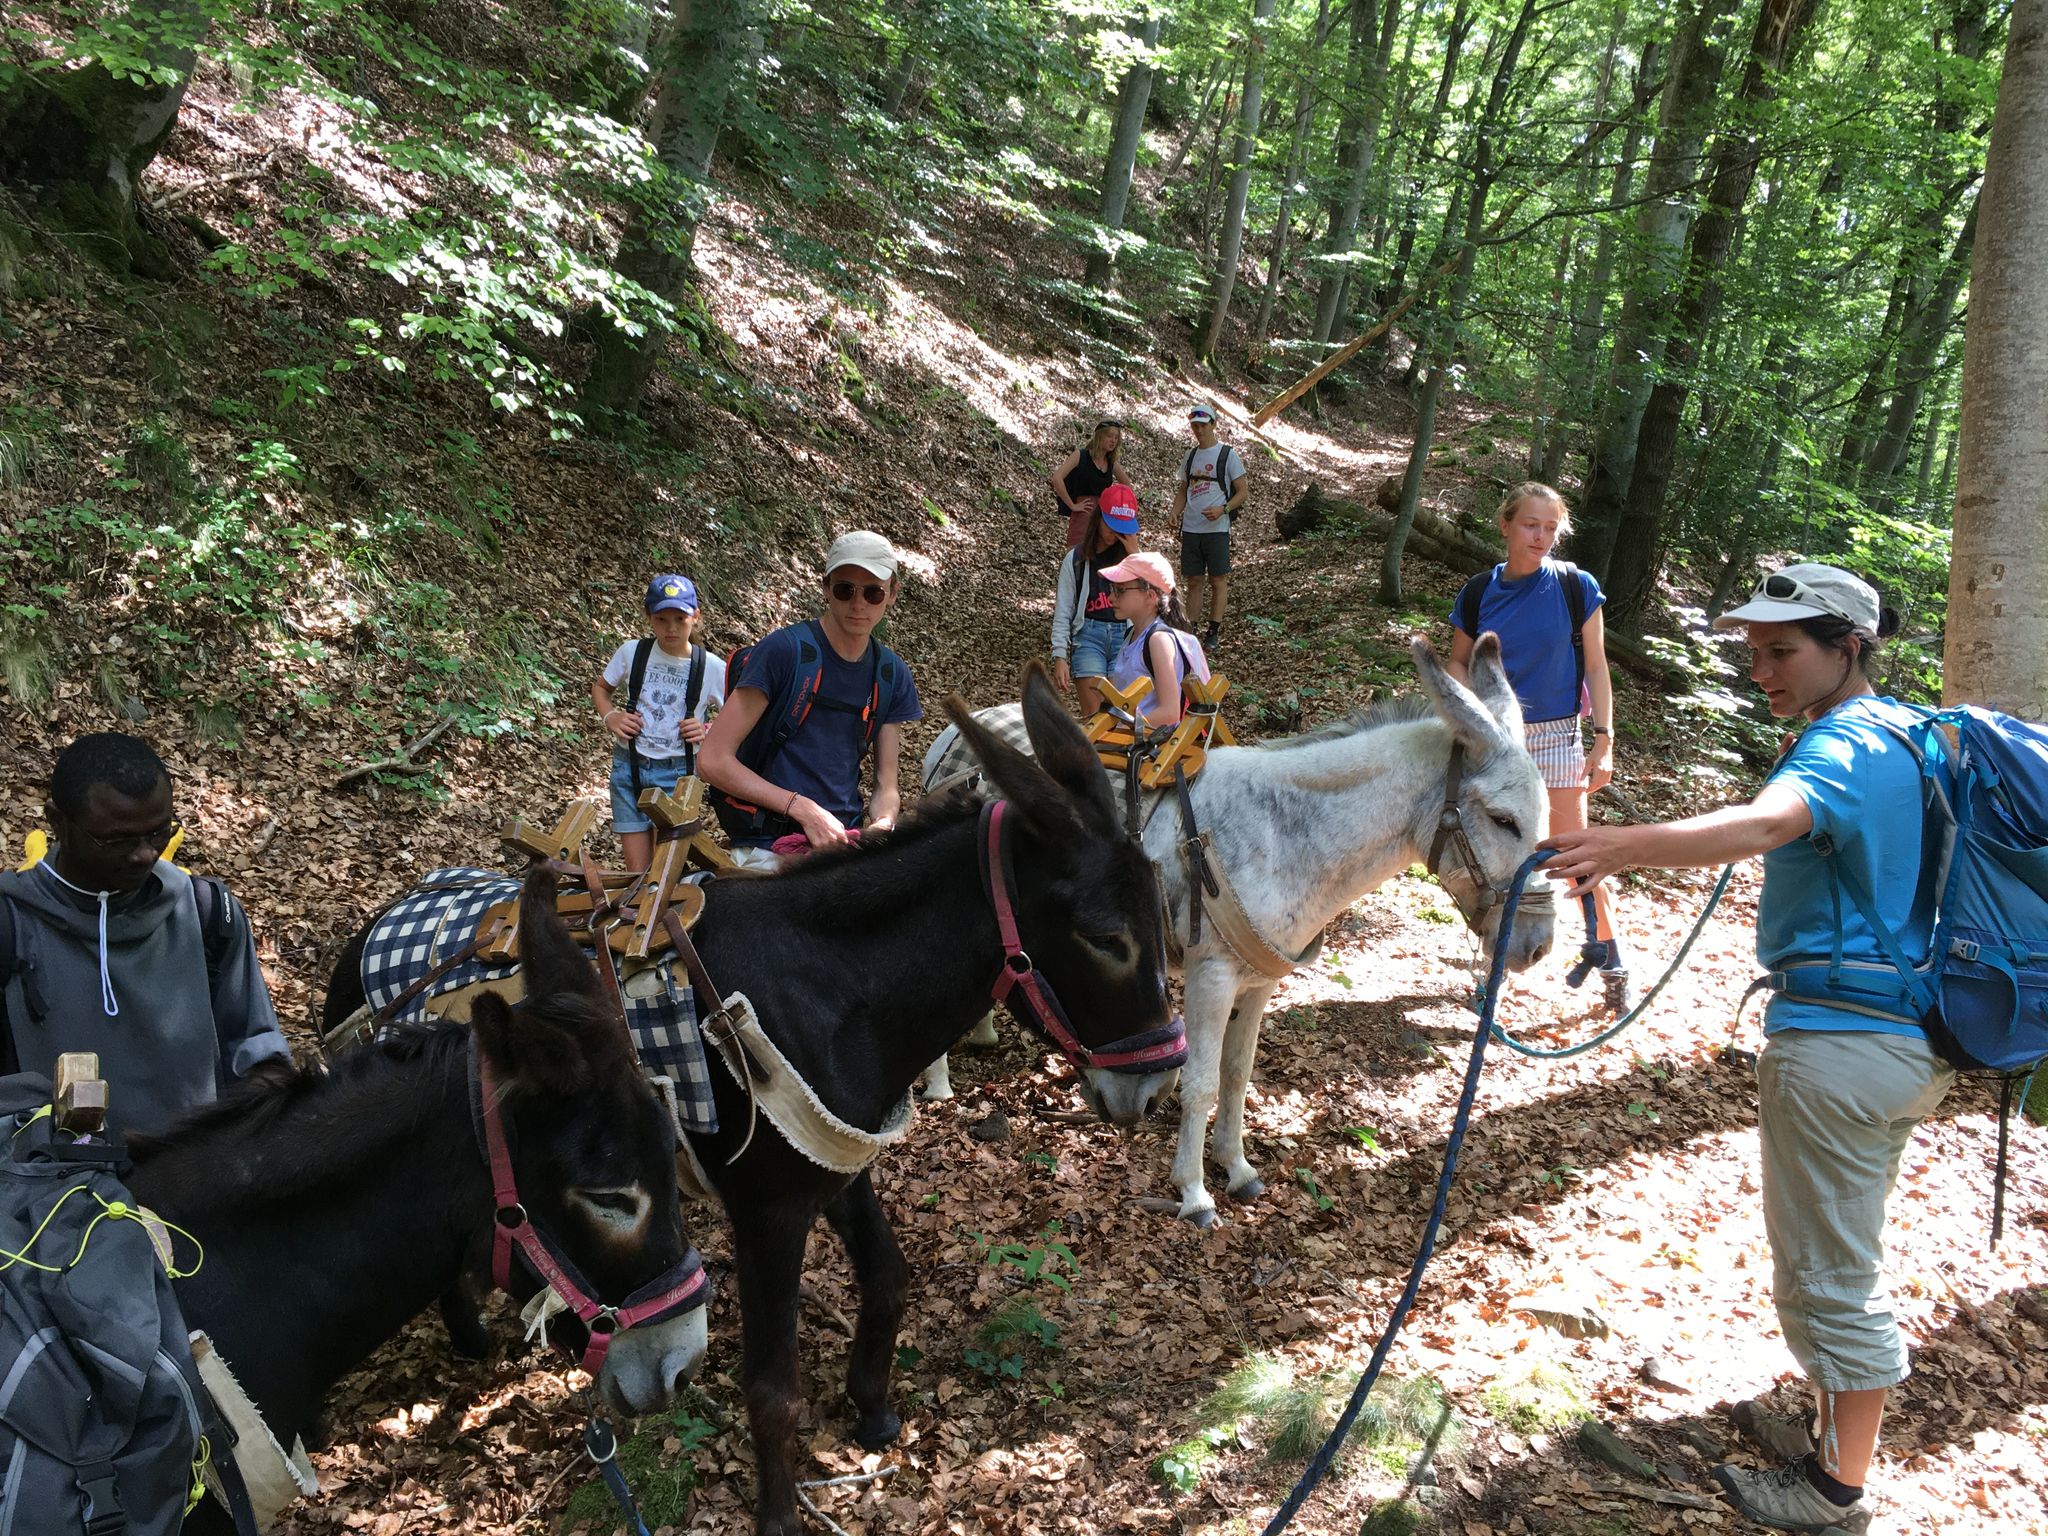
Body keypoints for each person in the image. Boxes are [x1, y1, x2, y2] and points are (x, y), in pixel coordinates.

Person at [1542, 564, 1933, 1536]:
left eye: (1781, 650)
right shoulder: (1910, 737)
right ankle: (1829, 1437)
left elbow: (1765, 825)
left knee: (1827, 1277)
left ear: (1847, 647)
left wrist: (1621, 845)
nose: (1759, 668)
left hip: (1839, 1044)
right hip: (1902, 1041)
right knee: (1844, 1254)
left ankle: (1835, 1491)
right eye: (1752, 651)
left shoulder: (1843, 744)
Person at [0, 733, 290, 1135]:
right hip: (55, 1191)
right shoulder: (11, 923)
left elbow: (255, 1054)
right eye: (116, 839)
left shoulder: (208, 915)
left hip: (190, 1182)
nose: (144, 854)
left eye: (158, 833)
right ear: (58, 822)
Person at [1448, 483, 1628, 1012]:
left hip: (1557, 733)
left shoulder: (1576, 586)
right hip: (1498, 735)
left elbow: (1596, 665)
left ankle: (1610, 958)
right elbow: (1457, 661)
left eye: (1551, 528)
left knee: (1576, 852)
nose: (1541, 537)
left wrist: (1605, 738)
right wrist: (1472, 710)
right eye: (1531, 525)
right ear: (1505, 525)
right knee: (1502, 856)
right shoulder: (1480, 591)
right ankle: (1494, 966)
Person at [699, 531, 922, 869]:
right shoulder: (784, 652)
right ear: (826, 588)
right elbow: (712, 760)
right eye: (845, 589)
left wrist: (882, 826)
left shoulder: (890, 674)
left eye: (873, 592)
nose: (858, 603)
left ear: (892, 594)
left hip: (841, 850)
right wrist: (803, 809)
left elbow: (885, 784)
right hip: (768, 848)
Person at [593, 573, 728, 872]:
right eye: (661, 619)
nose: (670, 628)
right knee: (639, 874)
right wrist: (611, 716)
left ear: (695, 617)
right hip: (629, 768)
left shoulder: (712, 667)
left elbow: (736, 717)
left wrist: (707, 729)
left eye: (679, 618)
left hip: (678, 774)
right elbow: (601, 688)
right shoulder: (632, 652)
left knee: (666, 871)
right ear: (649, 618)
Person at [1051, 486, 1142, 718]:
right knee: (1094, 718)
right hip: (1089, 637)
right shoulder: (1076, 559)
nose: (1115, 534)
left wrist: (1135, 557)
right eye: (1112, 526)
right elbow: (1063, 610)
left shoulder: (1132, 559)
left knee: (1121, 719)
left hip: (1124, 640)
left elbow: (1152, 601)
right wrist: (1060, 655)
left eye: (1122, 529)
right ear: (1099, 519)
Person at [1098, 551, 1210, 730]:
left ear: (1150, 596)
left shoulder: (1158, 641)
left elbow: (1169, 713)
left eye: (1120, 590)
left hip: (1153, 749)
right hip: (1131, 743)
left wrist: (1119, 729)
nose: (1111, 597)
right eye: (1112, 590)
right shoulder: (1131, 635)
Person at [1168, 404, 1248, 649]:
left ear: (1213, 424)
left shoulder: (1227, 455)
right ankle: (1191, 629)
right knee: (1194, 580)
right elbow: (1184, 489)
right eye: (1195, 425)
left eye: (1203, 425)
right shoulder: (1190, 456)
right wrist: (1174, 512)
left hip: (1217, 529)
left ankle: (1213, 630)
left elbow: (1243, 492)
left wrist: (1223, 509)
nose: (1199, 430)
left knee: (1218, 579)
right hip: (1191, 528)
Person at [1049, 419, 1129, 551]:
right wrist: (1072, 505)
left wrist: (1116, 507)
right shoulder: (1081, 456)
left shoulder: (1111, 462)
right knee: (1075, 556)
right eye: (1110, 436)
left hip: (1103, 517)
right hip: (1083, 513)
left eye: (1116, 437)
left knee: (1098, 559)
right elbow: (1057, 478)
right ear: (1100, 436)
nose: (1113, 441)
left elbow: (1127, 485)